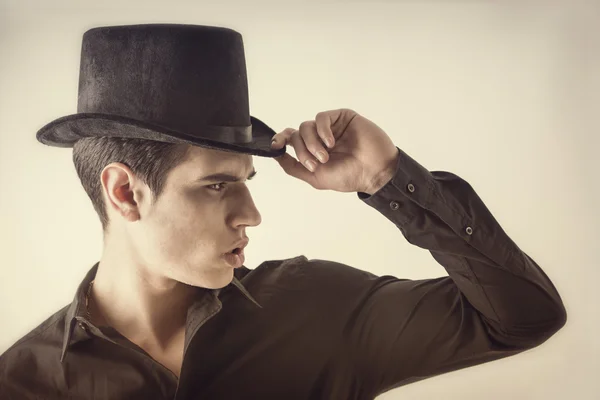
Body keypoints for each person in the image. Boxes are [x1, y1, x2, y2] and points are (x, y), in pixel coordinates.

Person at [0, 24, 566, 400]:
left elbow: (524, 317)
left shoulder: (315, 308)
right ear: (125, 192)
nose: (252, 214)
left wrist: (388, 177)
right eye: (218, 185)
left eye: (248, 181)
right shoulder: (22, 383)